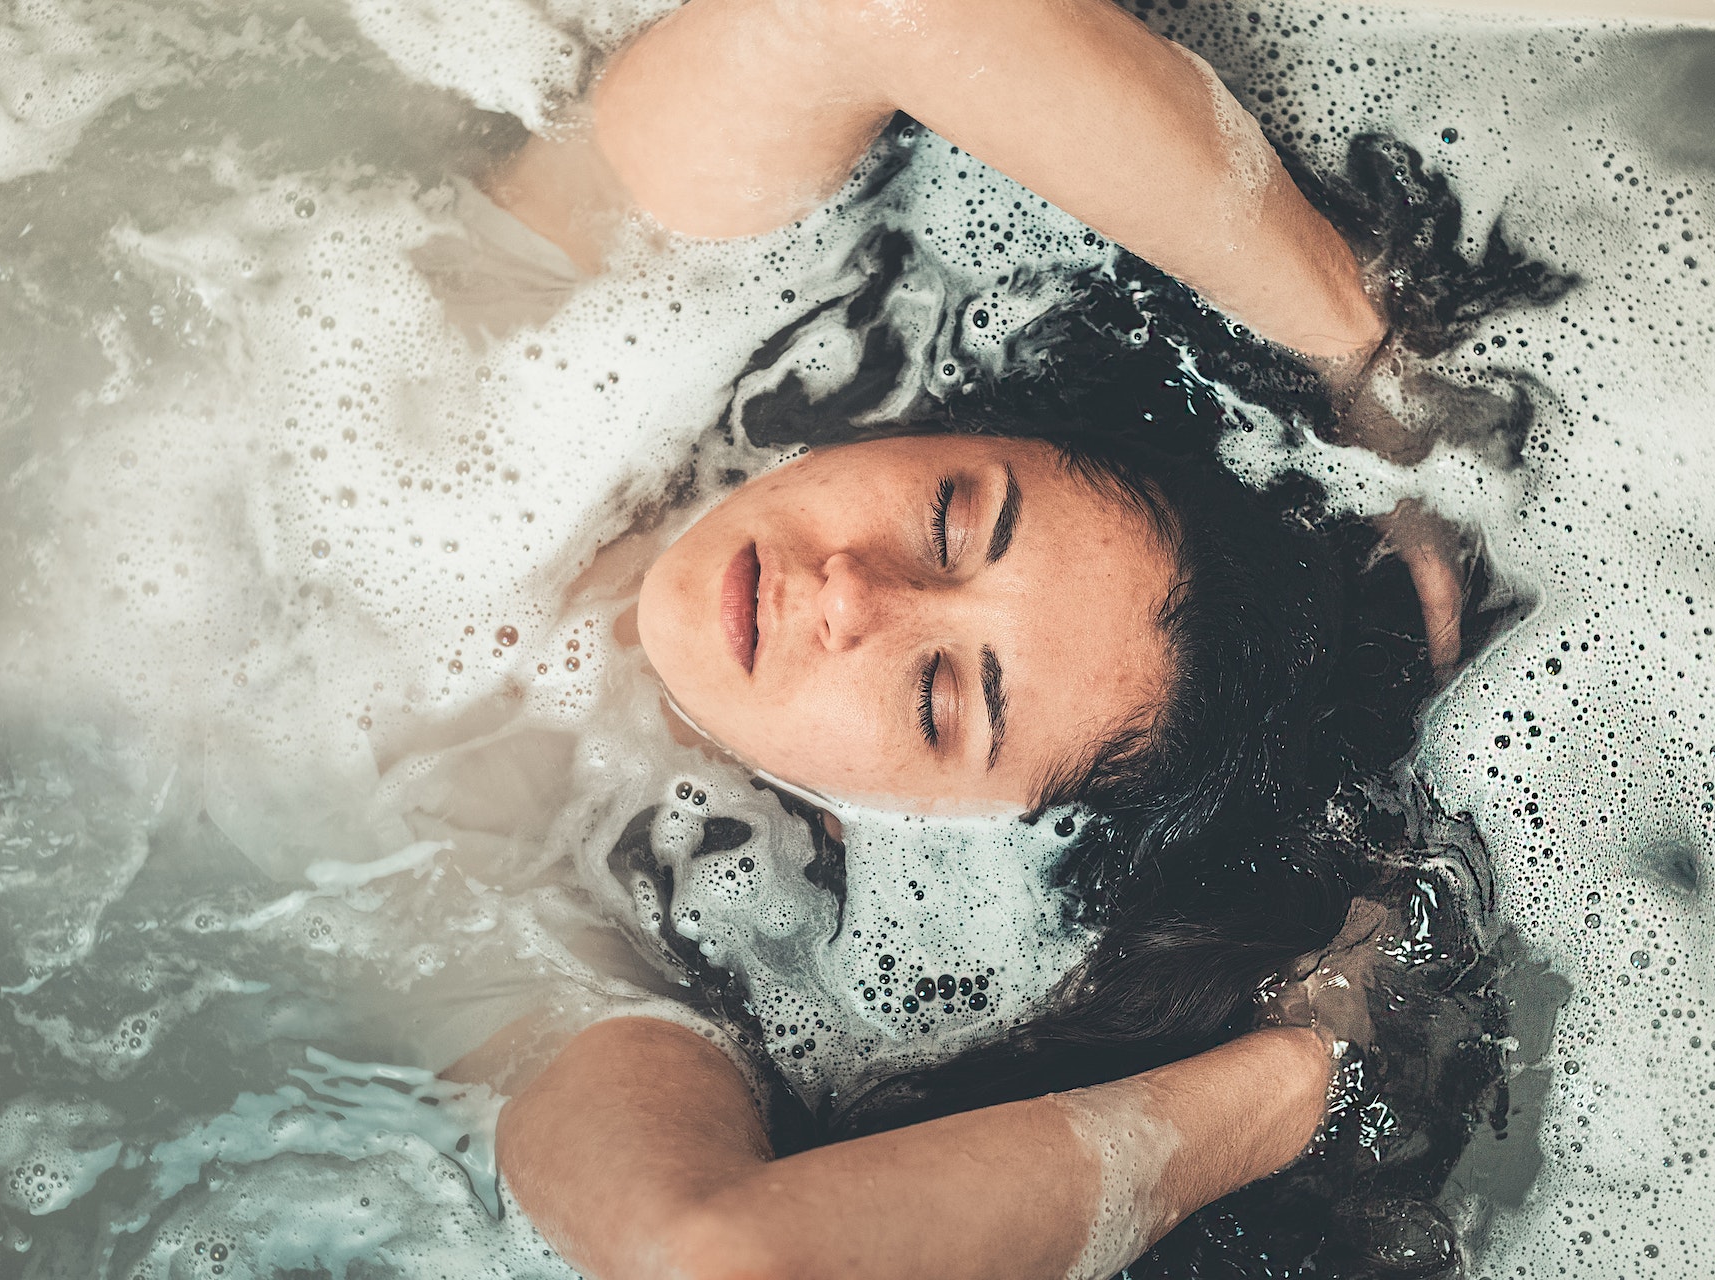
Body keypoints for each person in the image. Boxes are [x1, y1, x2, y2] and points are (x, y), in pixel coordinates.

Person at [429, 0, 1520, 1275]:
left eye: (939, 699)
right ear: (932, 420)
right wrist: (1361, 348)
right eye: (952, 517)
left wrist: (1308, 1064)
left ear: (878, 827)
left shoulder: (523, 921)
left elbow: (714, 1252)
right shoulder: (539, 319)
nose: (852, 596)